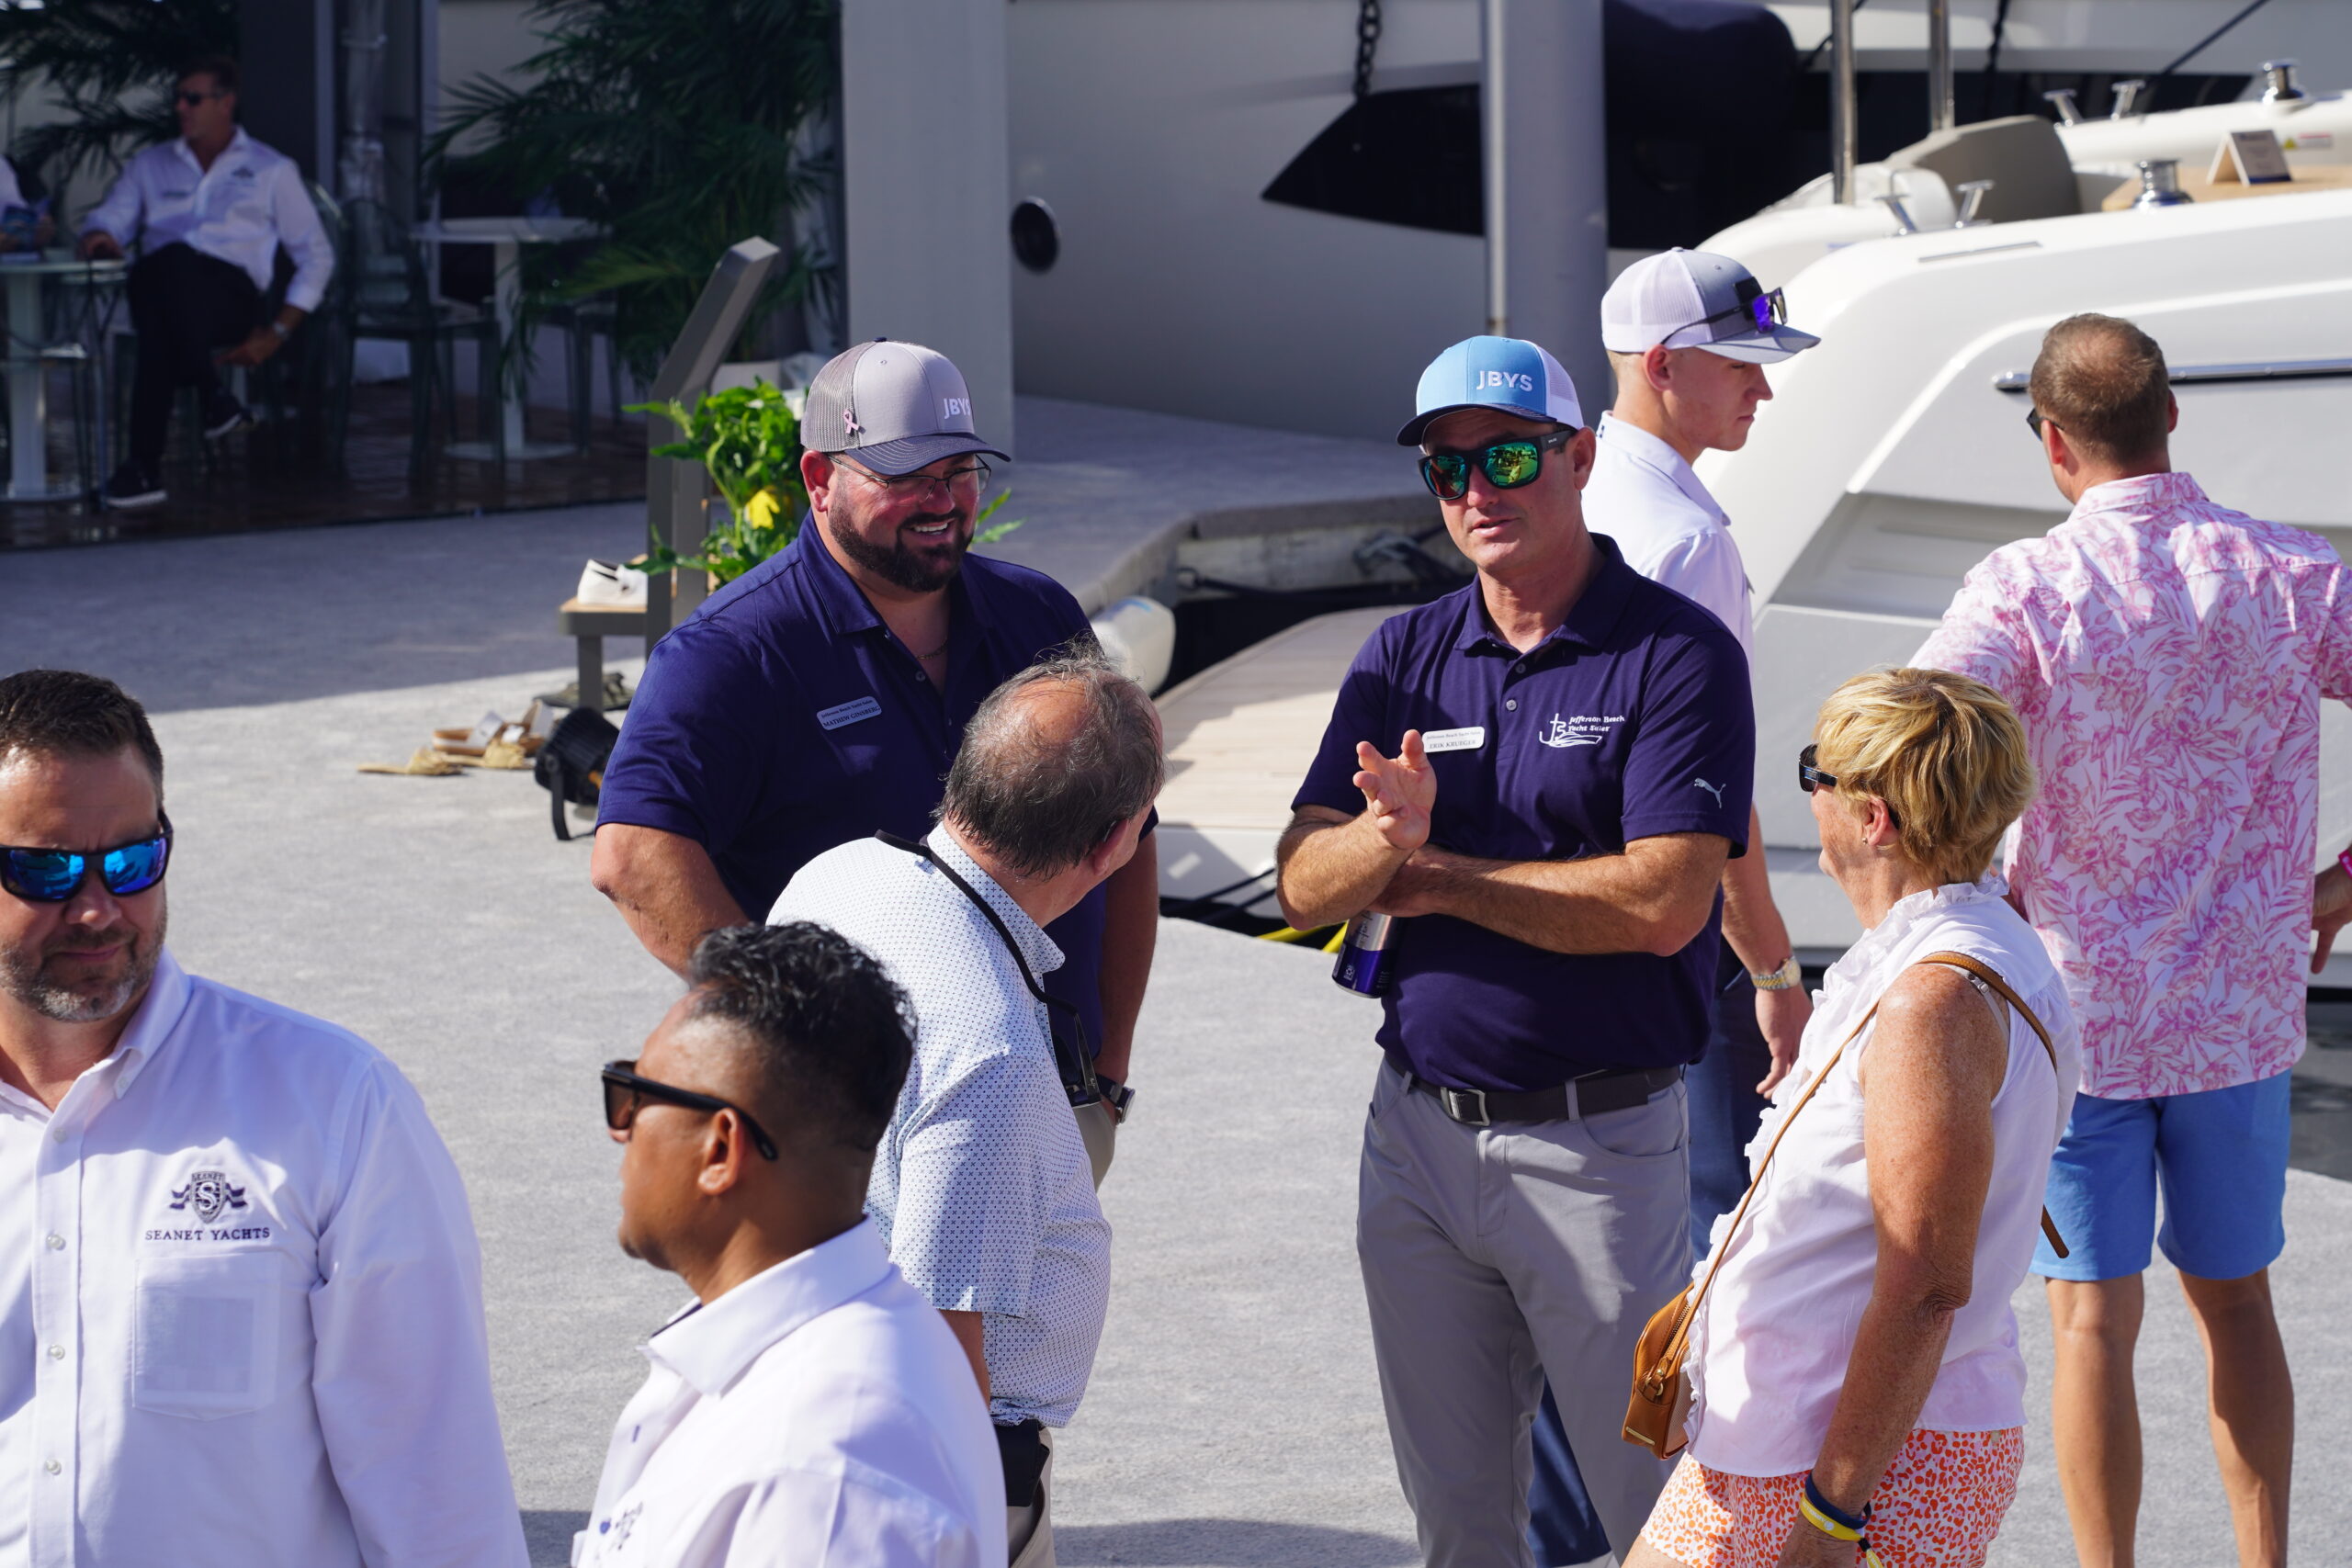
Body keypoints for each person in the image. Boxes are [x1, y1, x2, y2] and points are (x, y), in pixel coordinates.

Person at [1277, 334, 1755, 1566]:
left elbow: (1662, 905)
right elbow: (1301, 877)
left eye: (1505, 457)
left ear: (1579, 458)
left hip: (1599, 1154)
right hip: (1416, 1148)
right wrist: (1379, 841)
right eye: (1447, 468)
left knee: (1664, 1525)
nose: (1475, 490)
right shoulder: (1405, 653)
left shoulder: (1677, 653)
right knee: (1458, 1531)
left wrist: (1430, 874)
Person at [1915, 312, 2342, 1568]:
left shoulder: (2025, 588)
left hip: (2077, 1022)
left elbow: (1909, 733)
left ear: (2053, 440)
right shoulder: (2290, 572)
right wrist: (2346, 881)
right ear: (2171, 418)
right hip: (2239, 1018)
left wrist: (1969, 896)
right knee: (2239, 1305)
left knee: (2091, 1324)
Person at [594, 339, 1154, 1184]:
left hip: (1047, 1103)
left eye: (960, 470)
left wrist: (1107, 1070)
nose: (942, 500)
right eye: (906, 475)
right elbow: (635, 857)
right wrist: (800, 1032)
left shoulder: (1037, 617)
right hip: (847, 1137)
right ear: (819, 478)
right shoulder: (734, 653)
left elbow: (1130, 835)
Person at [0, 669, 525, 1565]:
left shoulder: (333, 1104)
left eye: (130, 862)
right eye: (46, 870)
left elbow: (437, 1484)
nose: (96, 908)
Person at [1627, 666, 2079, 1568]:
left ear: (1873, 819)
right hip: (1811, 1438)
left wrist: (1832, 1519)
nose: (1808, 794)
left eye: (1815, 772)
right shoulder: (1975, 941)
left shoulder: (1931, 1002)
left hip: (1847, 1462)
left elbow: (1924, 1285)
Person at [1522, 243, 1825, 1568]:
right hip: (1661, 950)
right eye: (1742, 366)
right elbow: (1716, 797)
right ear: (1662, 366)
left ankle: (1556, 1535)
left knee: (1568, 1265)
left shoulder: (1558, 501)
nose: (1763, 392)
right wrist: (1774, 967)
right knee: (1695, 1255)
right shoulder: (1689, 538)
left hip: (1551, 933)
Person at [771, 653, 1161, 1568]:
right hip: (928, 1466)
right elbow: (939, 1344)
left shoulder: (836, 875)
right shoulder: (991, 1052)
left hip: (793, 1378)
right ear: (1112, 843)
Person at [583, 921, 1004, 1568]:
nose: (621, 1130)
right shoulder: (808, 1350)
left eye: (635, 1094)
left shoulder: (821, 1473)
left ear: (720, 1149)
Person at [79, 56, 334, 511]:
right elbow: (112, 217)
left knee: (164, 274)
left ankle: (145, 465)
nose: (181, 107)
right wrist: (99, 235)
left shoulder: (271, 169)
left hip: (230, 295)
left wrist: (277, 333)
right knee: (163, 287)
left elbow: (316, 255)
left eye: (193, 99)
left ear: (225, 103)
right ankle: (210, 400)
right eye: (178, 98)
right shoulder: (151, 165)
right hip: (166, 293)